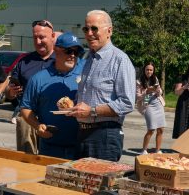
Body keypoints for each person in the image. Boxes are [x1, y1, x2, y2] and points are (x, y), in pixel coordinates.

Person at [67, 10, 136, 162]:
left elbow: (127, 103)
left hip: (104, 136)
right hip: (82, 134)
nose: (89, 33)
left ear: (109, 31)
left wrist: (91, 111)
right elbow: (88, 97)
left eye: (94, 28)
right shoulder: (89, 59)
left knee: (100, 185)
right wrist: (73, 106)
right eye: (86, 29)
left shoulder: (120, 60)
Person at [20, 32, 85, 159]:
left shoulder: (86, 73)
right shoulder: (39, 78)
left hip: (81, 147)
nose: (72, 55)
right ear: (56, 50)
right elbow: (26, 107)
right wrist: (37, 125)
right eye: (68, 51)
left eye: (76, 52)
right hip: (50, 147)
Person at [5, 20, 56, 154]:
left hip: (53, 120)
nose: (38, 42)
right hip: (28, 119)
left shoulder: (61, 60)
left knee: (52, 161)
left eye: (42, 37)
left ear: (52, 36)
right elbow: (9, 94)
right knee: (26, 161)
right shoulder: (24, 61)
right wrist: (10, 92)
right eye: (35, 38)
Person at [136, 62, 166, 155]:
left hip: (157, 103)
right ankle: (144, 150)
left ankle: (158, 150)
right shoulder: (139, 81)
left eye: (151, 70)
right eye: (147, 69)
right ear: (144, 70)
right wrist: (147, 91)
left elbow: (160, 92)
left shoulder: (155, 79)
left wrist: (158, 91)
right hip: (147, 104)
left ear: (153, 71)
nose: (149, 71)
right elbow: (138, 96)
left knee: (161, 129)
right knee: (151, 129)